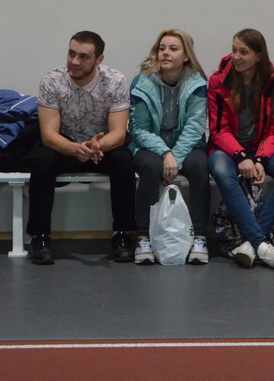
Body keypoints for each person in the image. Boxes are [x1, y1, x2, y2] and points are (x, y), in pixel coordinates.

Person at [24, 31, 136, 265]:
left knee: (124, 160)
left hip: (100, 147)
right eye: (71, 54)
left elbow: (118, 133)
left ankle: (123, 234)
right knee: (42, 160)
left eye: (83, 57)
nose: (74, 61)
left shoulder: (115, 81)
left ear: (99, 60)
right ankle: (39, 237)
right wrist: (75, 149)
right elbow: (48, 135)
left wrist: (97, 146)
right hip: (65, 145)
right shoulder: (52, 80)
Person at [207, 29, 274, 269]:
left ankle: (251, 243)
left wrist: (259, 159)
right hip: (227, 148)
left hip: (261, 146)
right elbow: (218, 130)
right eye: (234, 50)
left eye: (243, 52)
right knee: (221, 171)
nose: (236, 57)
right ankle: (261, 243)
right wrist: (240, 156)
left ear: (259, 56)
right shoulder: (219, 81)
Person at [130, 30, 211, 265]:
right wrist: (165, 154)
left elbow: (195, 127)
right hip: (151, 145)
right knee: (150, 167)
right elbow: (139, 129)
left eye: (173, 49)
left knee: (200, 166)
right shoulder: (142, 82)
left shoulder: (197, 84)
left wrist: (175, 156)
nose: (165, 53)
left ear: (186, 56)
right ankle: (144, 238)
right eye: (162, 48)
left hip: (186, 145)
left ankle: (199, 238)